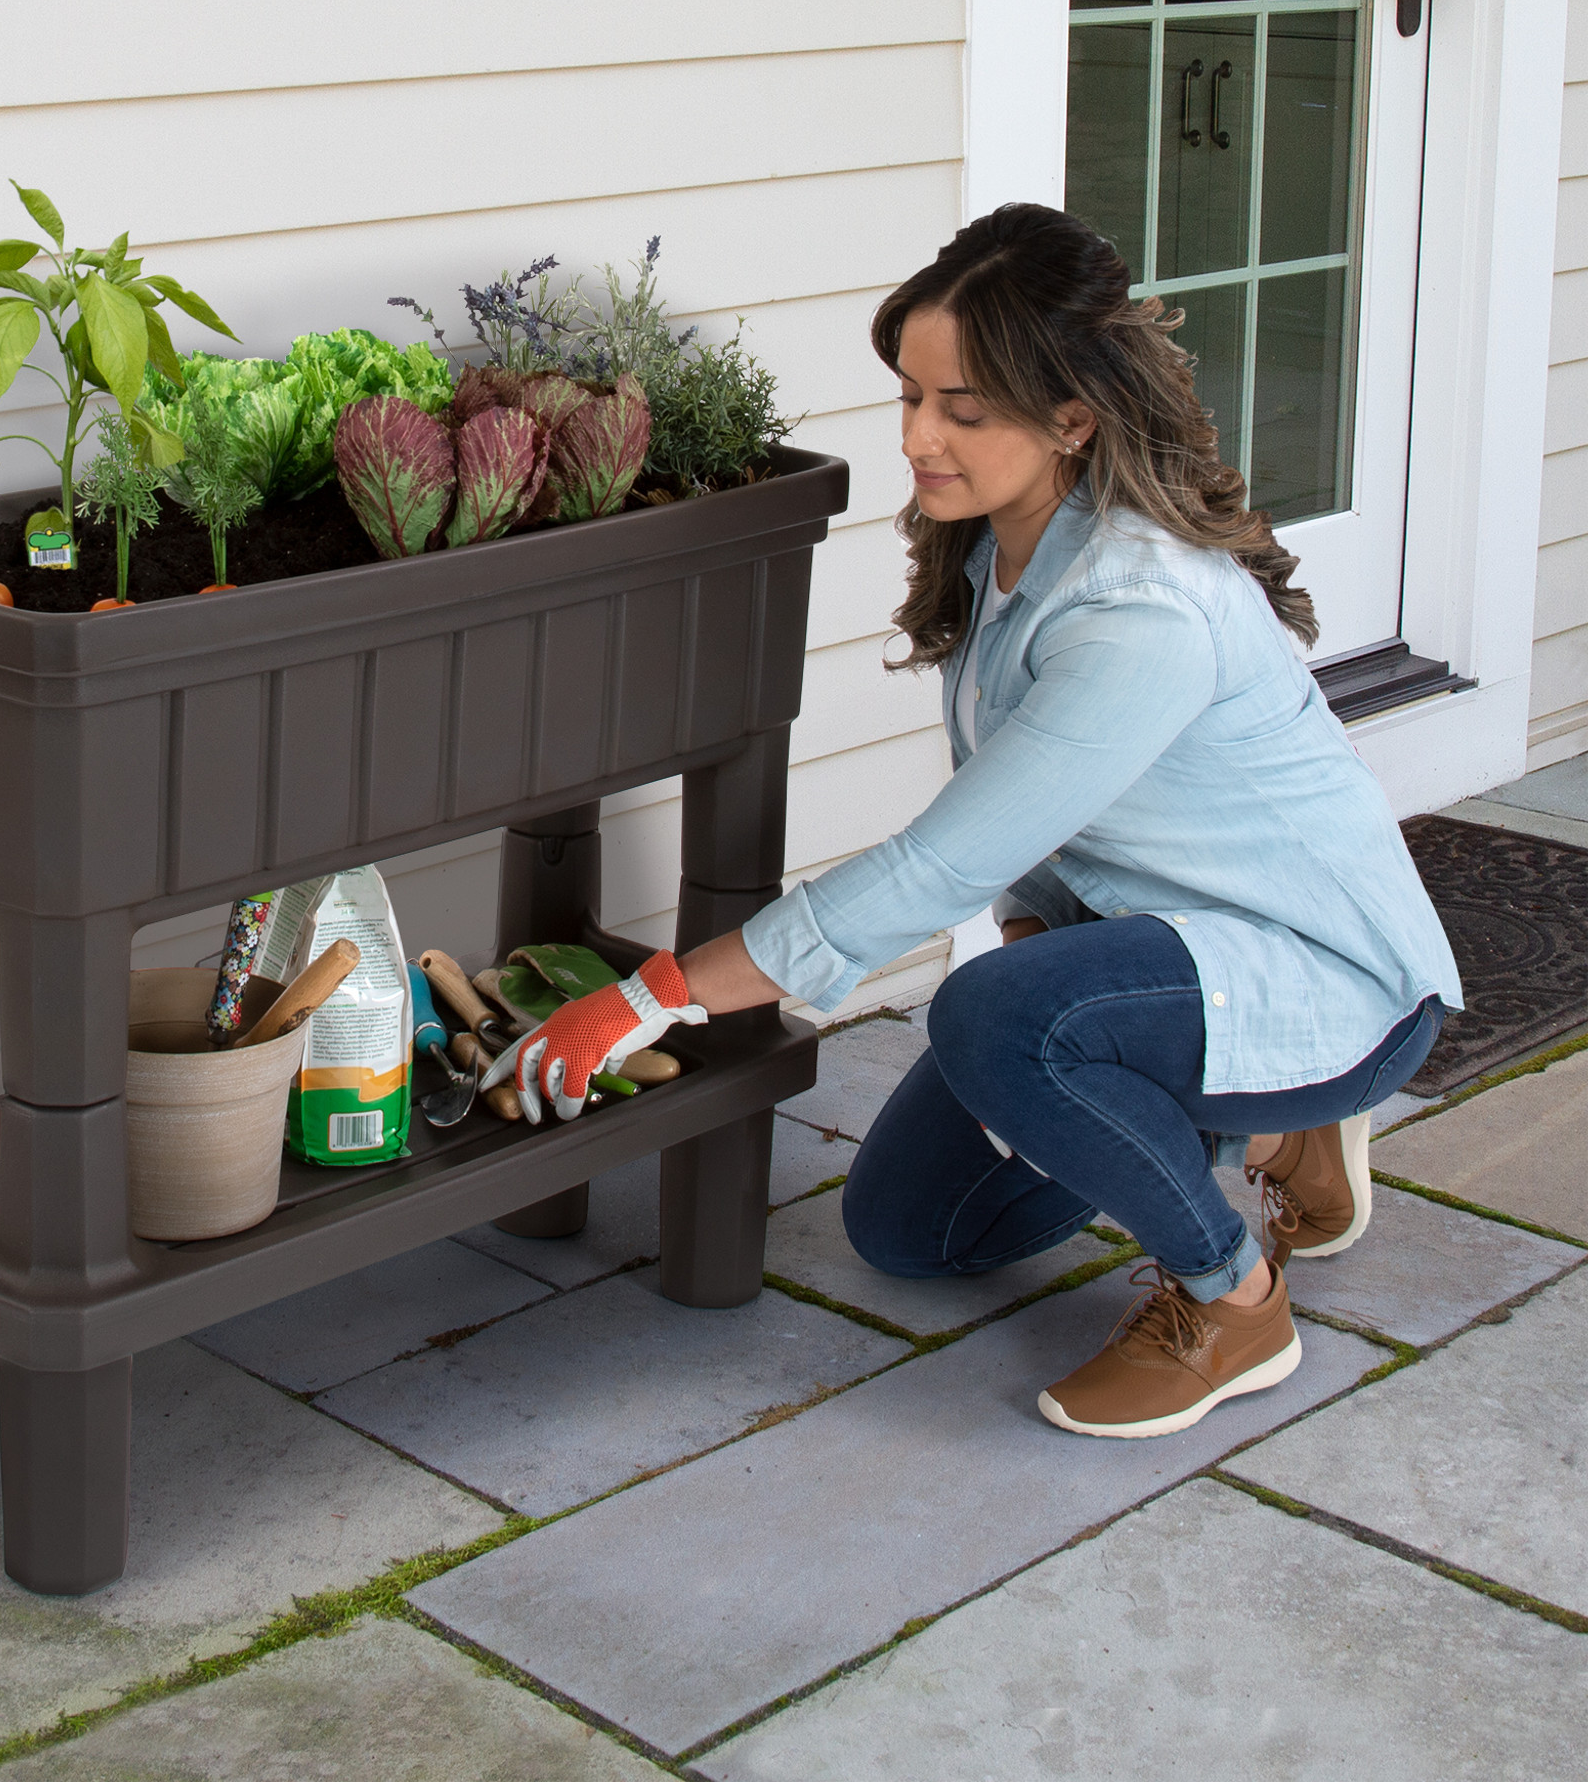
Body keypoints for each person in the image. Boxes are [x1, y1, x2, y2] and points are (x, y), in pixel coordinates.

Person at [482, 203, 1461, 1439]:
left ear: (1071, 418)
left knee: (999, 1015)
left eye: (962, 409)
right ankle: (1271, 1129)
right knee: (909, 1231)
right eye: (909, 396)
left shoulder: (1135, 612)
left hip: (1316, 970)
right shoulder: (1006, 546)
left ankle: (1232, 1298)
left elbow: (942, 862)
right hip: (1156, 955)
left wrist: (650, 993)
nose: (917, 438)